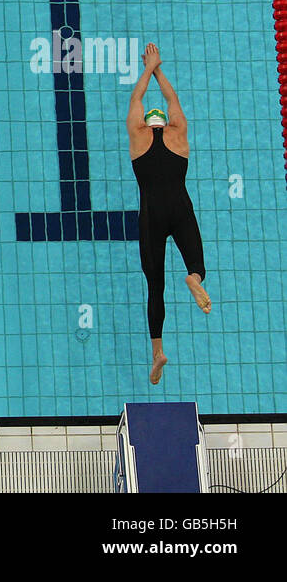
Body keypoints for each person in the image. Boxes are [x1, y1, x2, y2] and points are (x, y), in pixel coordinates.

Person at [127, 43, 212, 384]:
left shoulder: (138, 136)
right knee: (197, 264)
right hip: (181, 207)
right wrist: (160, 68)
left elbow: (136, 100)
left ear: (148, 123)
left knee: (155, 286)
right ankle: (194, 278)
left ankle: (157, 351)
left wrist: (147, 69)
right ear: (166, 121)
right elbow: (173, 100)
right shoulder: (179, 135)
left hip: (151, 214)